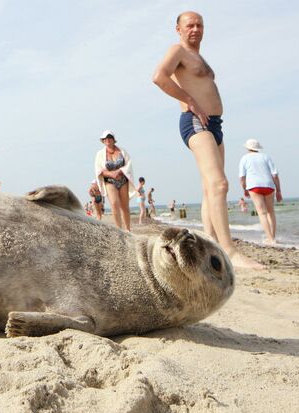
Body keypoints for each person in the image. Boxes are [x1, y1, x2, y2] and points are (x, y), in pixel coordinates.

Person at [153, 11, 262, 268]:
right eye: (189, 25)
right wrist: (189, 100)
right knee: (219, 184)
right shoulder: (177, 51)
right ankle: (230, 252)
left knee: (209, 189)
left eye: (199, 24)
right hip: (195, 121)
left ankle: (209, 244)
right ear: (178, 29)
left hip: (215, 124)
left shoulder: (199, 57)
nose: (195, 29)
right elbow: (159, 77)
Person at [239, 139, 283, 245]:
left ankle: (270, 239)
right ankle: (273, 237)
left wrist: (245, 189)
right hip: (269, 185)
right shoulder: (266, 156)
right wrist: (279, 191)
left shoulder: (244, 158)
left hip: (254, 186)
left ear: (247, 148)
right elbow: (275, 175)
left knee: (262, 213)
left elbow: (242, 177)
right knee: (270, 212)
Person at [94, 130, 135, 231]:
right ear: (103, 141)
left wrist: (119, 171)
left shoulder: (122, 151)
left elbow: (128, 165)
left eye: (109, 137)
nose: (107, 140)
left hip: (123, 180)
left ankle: (128, 229)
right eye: (105, 138)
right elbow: (98, 169)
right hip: (110, 181)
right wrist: (111, 173)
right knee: (114, 203)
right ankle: (119, 230)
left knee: (125, 206)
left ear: (113, 139)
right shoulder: (100, 154)